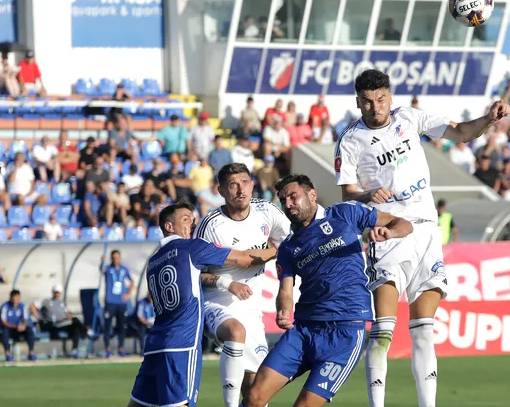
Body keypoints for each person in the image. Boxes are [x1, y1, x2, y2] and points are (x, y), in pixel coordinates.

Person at [333, 69, 509, 407]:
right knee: (383, 331)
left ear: (390, 96)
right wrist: (367, 193)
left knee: (425, 329)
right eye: (368, 101)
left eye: (381, 99)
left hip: (427, 229)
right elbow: (347, 193)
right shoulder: (351, 139)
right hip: (388, 231)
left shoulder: (410, 118)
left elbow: (461, 133)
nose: (375, 107)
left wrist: (489, 118)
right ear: (358, 101)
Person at [241, 174, 414, 407]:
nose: (289, 204)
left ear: (312, 194)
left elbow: (404, 224)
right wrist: (283, 311)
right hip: (303, 331)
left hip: (345, 332)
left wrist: (389, 233)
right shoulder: (289, 248)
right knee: (254, 397)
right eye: (284, 200)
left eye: (293, 196)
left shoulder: (345, 213)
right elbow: (286, 289)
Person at [128, 201, 278, 407]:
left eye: (193, 219)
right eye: (186, 219)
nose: (193, 223)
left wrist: (224, 282)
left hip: (155, 344)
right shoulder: (192, 247)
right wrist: (277, 250)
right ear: (169, 227)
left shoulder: (154, 261)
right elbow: (244, 259)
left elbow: (193, 280)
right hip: (182, 344)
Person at [193, 163, 291, 407]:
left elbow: (290, 243)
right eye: (233, 185)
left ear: (252, 184)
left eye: (245, 183)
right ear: (221, 191)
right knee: (236, 332)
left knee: (256, 387)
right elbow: (194, 275)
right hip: (217, 302)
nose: (240, 190)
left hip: (251, 307)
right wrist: (227, 283)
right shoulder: (211, 226)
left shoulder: (266, 211)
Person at [32, 284, 89, 359]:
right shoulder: (46, 301)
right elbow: (32, 306)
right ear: (53, 292)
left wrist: (69, 315)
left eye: (58, 292)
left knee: (76, 327)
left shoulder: (61, 303)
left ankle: (74, 349)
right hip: (53, 324)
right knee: (76, 321)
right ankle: (86, 331)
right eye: (56, 292)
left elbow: (67, 312)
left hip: (63, 323)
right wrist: (40, 318)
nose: (57, 294)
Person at [101, 250, 134, 358]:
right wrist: (102, 262)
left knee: (122, 326)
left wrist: (128, 294)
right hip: (110, 302)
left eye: (117, 257)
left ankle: (121, 348)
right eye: (113, 258)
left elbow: (131, 281)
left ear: (120, 258)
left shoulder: (124, 269)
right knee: (107, 326)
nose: (115, 260)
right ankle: (107, 349)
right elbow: (101, 269)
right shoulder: (108, 269)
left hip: (121, 302)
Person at [0, 289, 36, 361]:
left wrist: (23, 326)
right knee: (4, 332)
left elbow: (26, 319)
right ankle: (8, 354)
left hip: (19, 329)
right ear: (10, 298)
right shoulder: (5, 306)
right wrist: (15, 326)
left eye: (17, 298)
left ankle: (31, 353)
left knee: (29, 330)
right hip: (9, 328)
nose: (15, 300)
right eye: (14, 298)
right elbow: (3, 321)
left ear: (19, 298)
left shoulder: (22, 306)